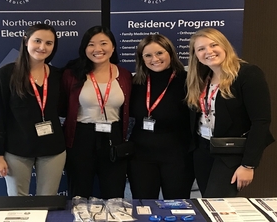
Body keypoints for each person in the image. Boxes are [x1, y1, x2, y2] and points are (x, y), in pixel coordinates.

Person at [186, 27, 274, 197]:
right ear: (195, 55)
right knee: (207, 203)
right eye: (201, 49)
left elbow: (261, 122)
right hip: (203, 149)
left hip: (231, 153)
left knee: (218, 204)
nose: (208, 52)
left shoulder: (247, 74)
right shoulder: (201, 77)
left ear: (224, 46)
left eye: (213, 45)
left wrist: (249, 165)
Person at [0, 24, 66, 196]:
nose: (42, 47)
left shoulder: (58, 75)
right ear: (26, 41)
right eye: (37, 41)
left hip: (52, 149)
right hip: (17, 150)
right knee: (18, 203)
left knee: (48, 201)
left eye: (49, 43)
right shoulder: (5, 75)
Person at [60, 26, 132, 199]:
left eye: (103, 43)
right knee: (79, 193)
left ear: (113, 47)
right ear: (84, 49)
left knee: (114, 192)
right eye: (91, 44)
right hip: (80, 137)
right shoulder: (72, 74)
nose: (97, 49)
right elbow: (62, 106)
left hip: (113, 137)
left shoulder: (124, 75)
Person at [127, 34, 194, 199]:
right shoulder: (135, 83)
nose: (154, 59)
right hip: (141, 156)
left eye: (159, 53)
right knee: (143, 207)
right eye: (148, 55)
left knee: (177, 207)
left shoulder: (187, 81)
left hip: (177, 156)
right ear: (141, 58)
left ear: (170, 53)